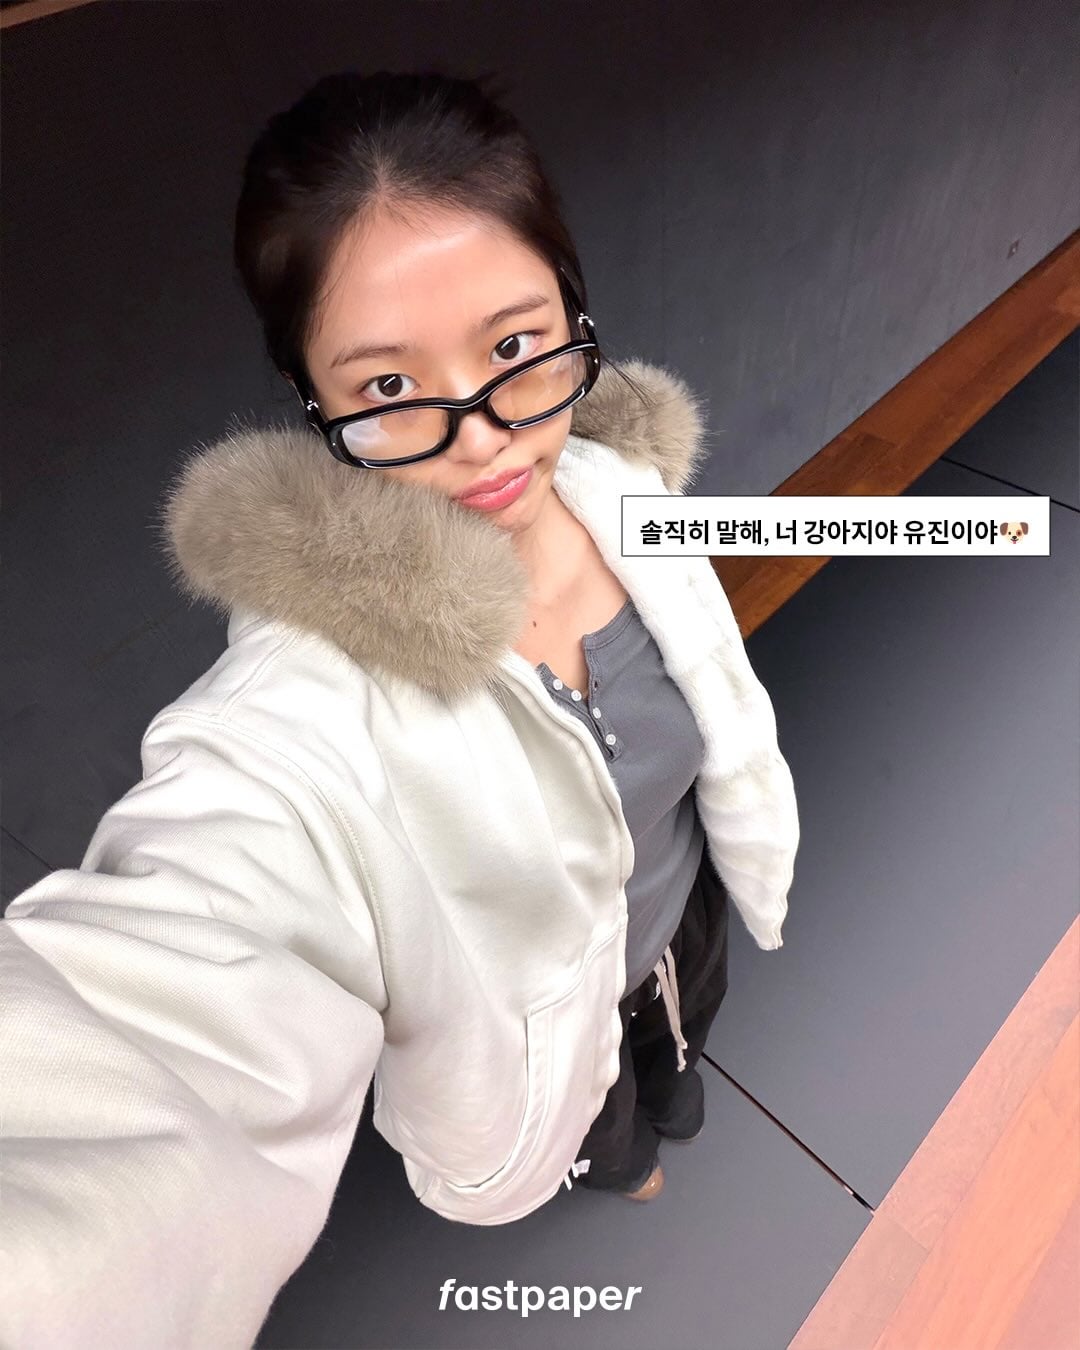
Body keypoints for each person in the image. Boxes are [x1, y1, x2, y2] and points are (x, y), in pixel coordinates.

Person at [0, 68, 800, 1346]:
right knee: (611, 1135)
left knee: (682, 1053)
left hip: (685, 918)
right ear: (310, 395)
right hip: (541, 1044)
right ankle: (624, 1159)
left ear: (572, 307)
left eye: (514, 349)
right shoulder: (305, 707)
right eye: (386, 390)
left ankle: (664, 1110)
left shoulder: (622, 489)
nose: (480, 437)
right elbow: (160, 1001)